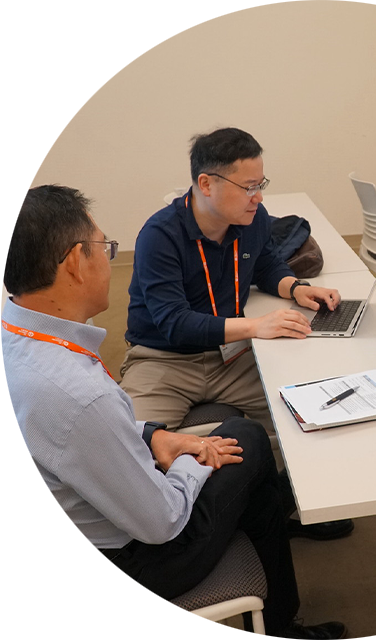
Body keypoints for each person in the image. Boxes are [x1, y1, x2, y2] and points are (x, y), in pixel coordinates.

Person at [1, 185, 347, 640]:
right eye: (104, 247)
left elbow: (79, 434)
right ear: (73, 263)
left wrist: (154, 438)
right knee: (249, 442)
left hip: (72, 546)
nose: (110, 259)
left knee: (238, 447)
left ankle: (266, 539)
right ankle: (279, 625)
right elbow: (162, 521)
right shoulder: (78, 395)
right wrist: (192, 458)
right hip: (131, 569)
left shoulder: (15, 345)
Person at [120, 127, 353, 541]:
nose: (258, 197)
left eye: (261, 185)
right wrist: (255, 327)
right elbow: (173, 321)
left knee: (306, 409)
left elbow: (266, 265)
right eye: (248, 187)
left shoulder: (252, 220)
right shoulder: (159, 235)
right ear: (206, 184)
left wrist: (298, 289)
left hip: (232, 354)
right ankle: (178, 531)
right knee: (129, 445)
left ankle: (285, 505)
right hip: (163, 358)